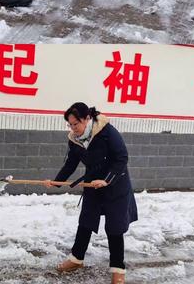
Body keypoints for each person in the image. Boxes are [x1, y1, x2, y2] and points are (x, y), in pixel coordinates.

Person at [45, 102, 138, 284]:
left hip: (115, 184)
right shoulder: (74, 139)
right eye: (70, 124)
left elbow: (122, 158)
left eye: (76, 124)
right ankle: (76, 259)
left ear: (87, 119)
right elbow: (70, 164)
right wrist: (56, 182)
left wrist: (107, 180)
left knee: (114, 227)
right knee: (86, 221)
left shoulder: (107, 132)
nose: (73, 128)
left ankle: (118, 269)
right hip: (92, 183)